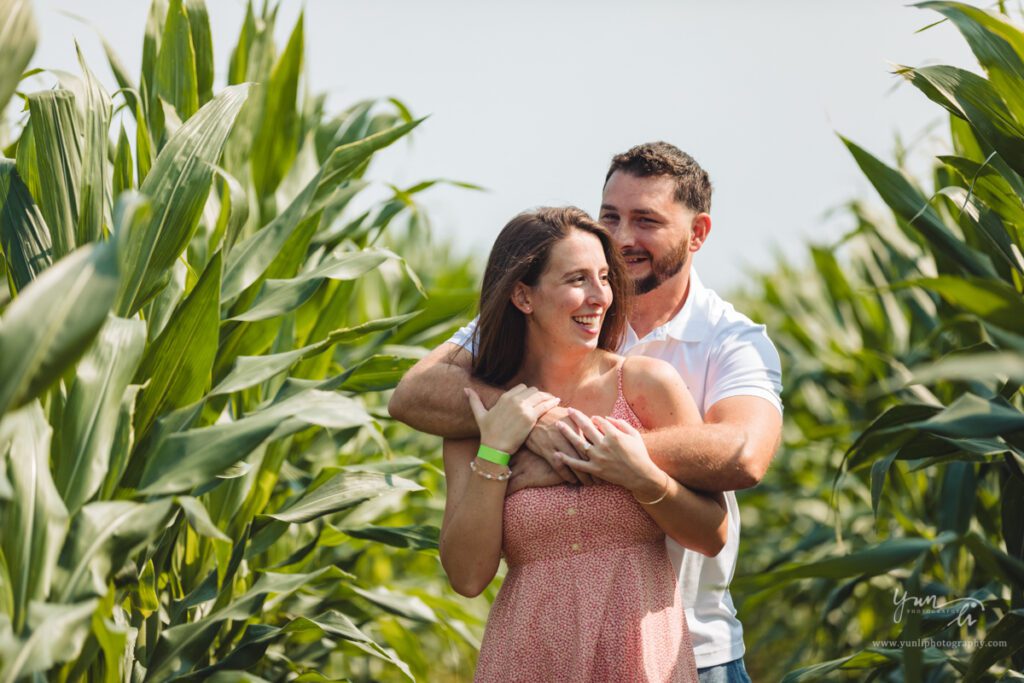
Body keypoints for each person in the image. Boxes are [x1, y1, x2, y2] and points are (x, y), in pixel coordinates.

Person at [390, 143, 783, 683]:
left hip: (686, 643)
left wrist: (595, 453)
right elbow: (413, 393)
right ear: (526, 298)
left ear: (697, 234)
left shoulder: (726, 341)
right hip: (531, 656)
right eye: (611, 217)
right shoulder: (499, 385)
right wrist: (521, 433)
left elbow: (743, 454)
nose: (623, 239)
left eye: (646, 220)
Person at [436, 206, 727, 681]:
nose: (601, 297)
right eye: (577, 280)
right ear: (523, 296)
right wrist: (495, 452)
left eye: (605, 278)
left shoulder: (646, 384)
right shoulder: (483, 415)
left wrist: (640, 475)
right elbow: (467, 578)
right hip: (527, 659)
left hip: (641, 660)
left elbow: (713, 535)